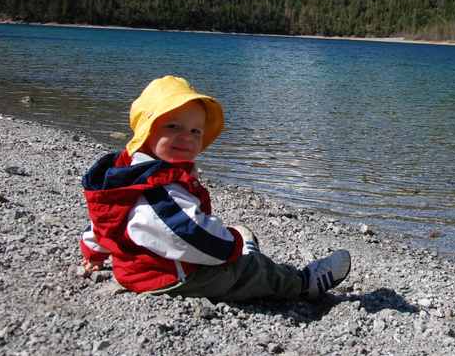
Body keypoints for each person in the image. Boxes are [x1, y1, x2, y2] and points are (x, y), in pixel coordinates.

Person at [79, 75, 351, 302]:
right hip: (171, 276)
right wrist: (231, 245)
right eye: (173, 126)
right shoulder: (156, 191)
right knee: (250, 271)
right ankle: (302, 283)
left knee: (232, 251)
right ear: (146, 131)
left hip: (143, 267)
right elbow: (190, 233)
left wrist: (93, 251)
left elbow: (106, 218)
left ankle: (246, 253)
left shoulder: (125, 174)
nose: (186, 137)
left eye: (196, 131)